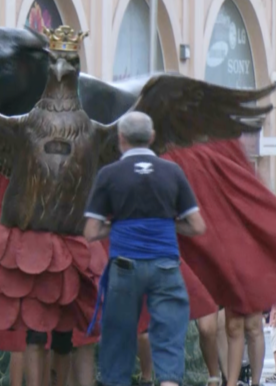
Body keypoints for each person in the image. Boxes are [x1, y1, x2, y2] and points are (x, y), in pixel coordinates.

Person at [83, 112, 207, 386]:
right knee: (169, 338)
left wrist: (119, 228)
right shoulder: (172, 172)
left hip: (124, 266)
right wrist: (166, 226)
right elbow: (197, 226)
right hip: (165, 265)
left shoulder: (109, 174)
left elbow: (91, 231)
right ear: (152, 138)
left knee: (118, 340)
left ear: (120, 138)